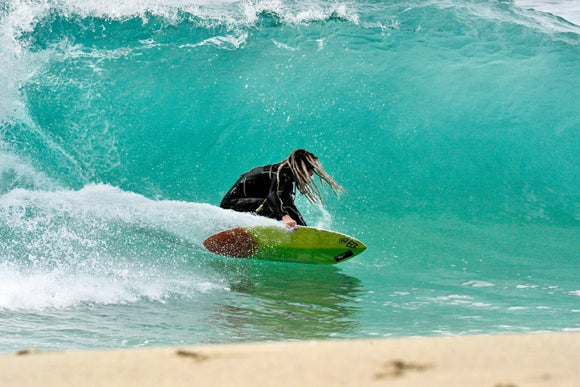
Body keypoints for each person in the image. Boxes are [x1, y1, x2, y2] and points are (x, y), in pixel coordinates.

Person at [220, 149, 344, 229]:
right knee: (272, 206)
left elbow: (289, 206)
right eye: (312, 169)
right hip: (231, 206)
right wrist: (284, 217)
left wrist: (305, 230)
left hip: (246, 207)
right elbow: (271, 196)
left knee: (285, 207)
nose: (312, 174)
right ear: (303, 168)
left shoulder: (287, 180)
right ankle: (248, 231)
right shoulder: (281, 173)